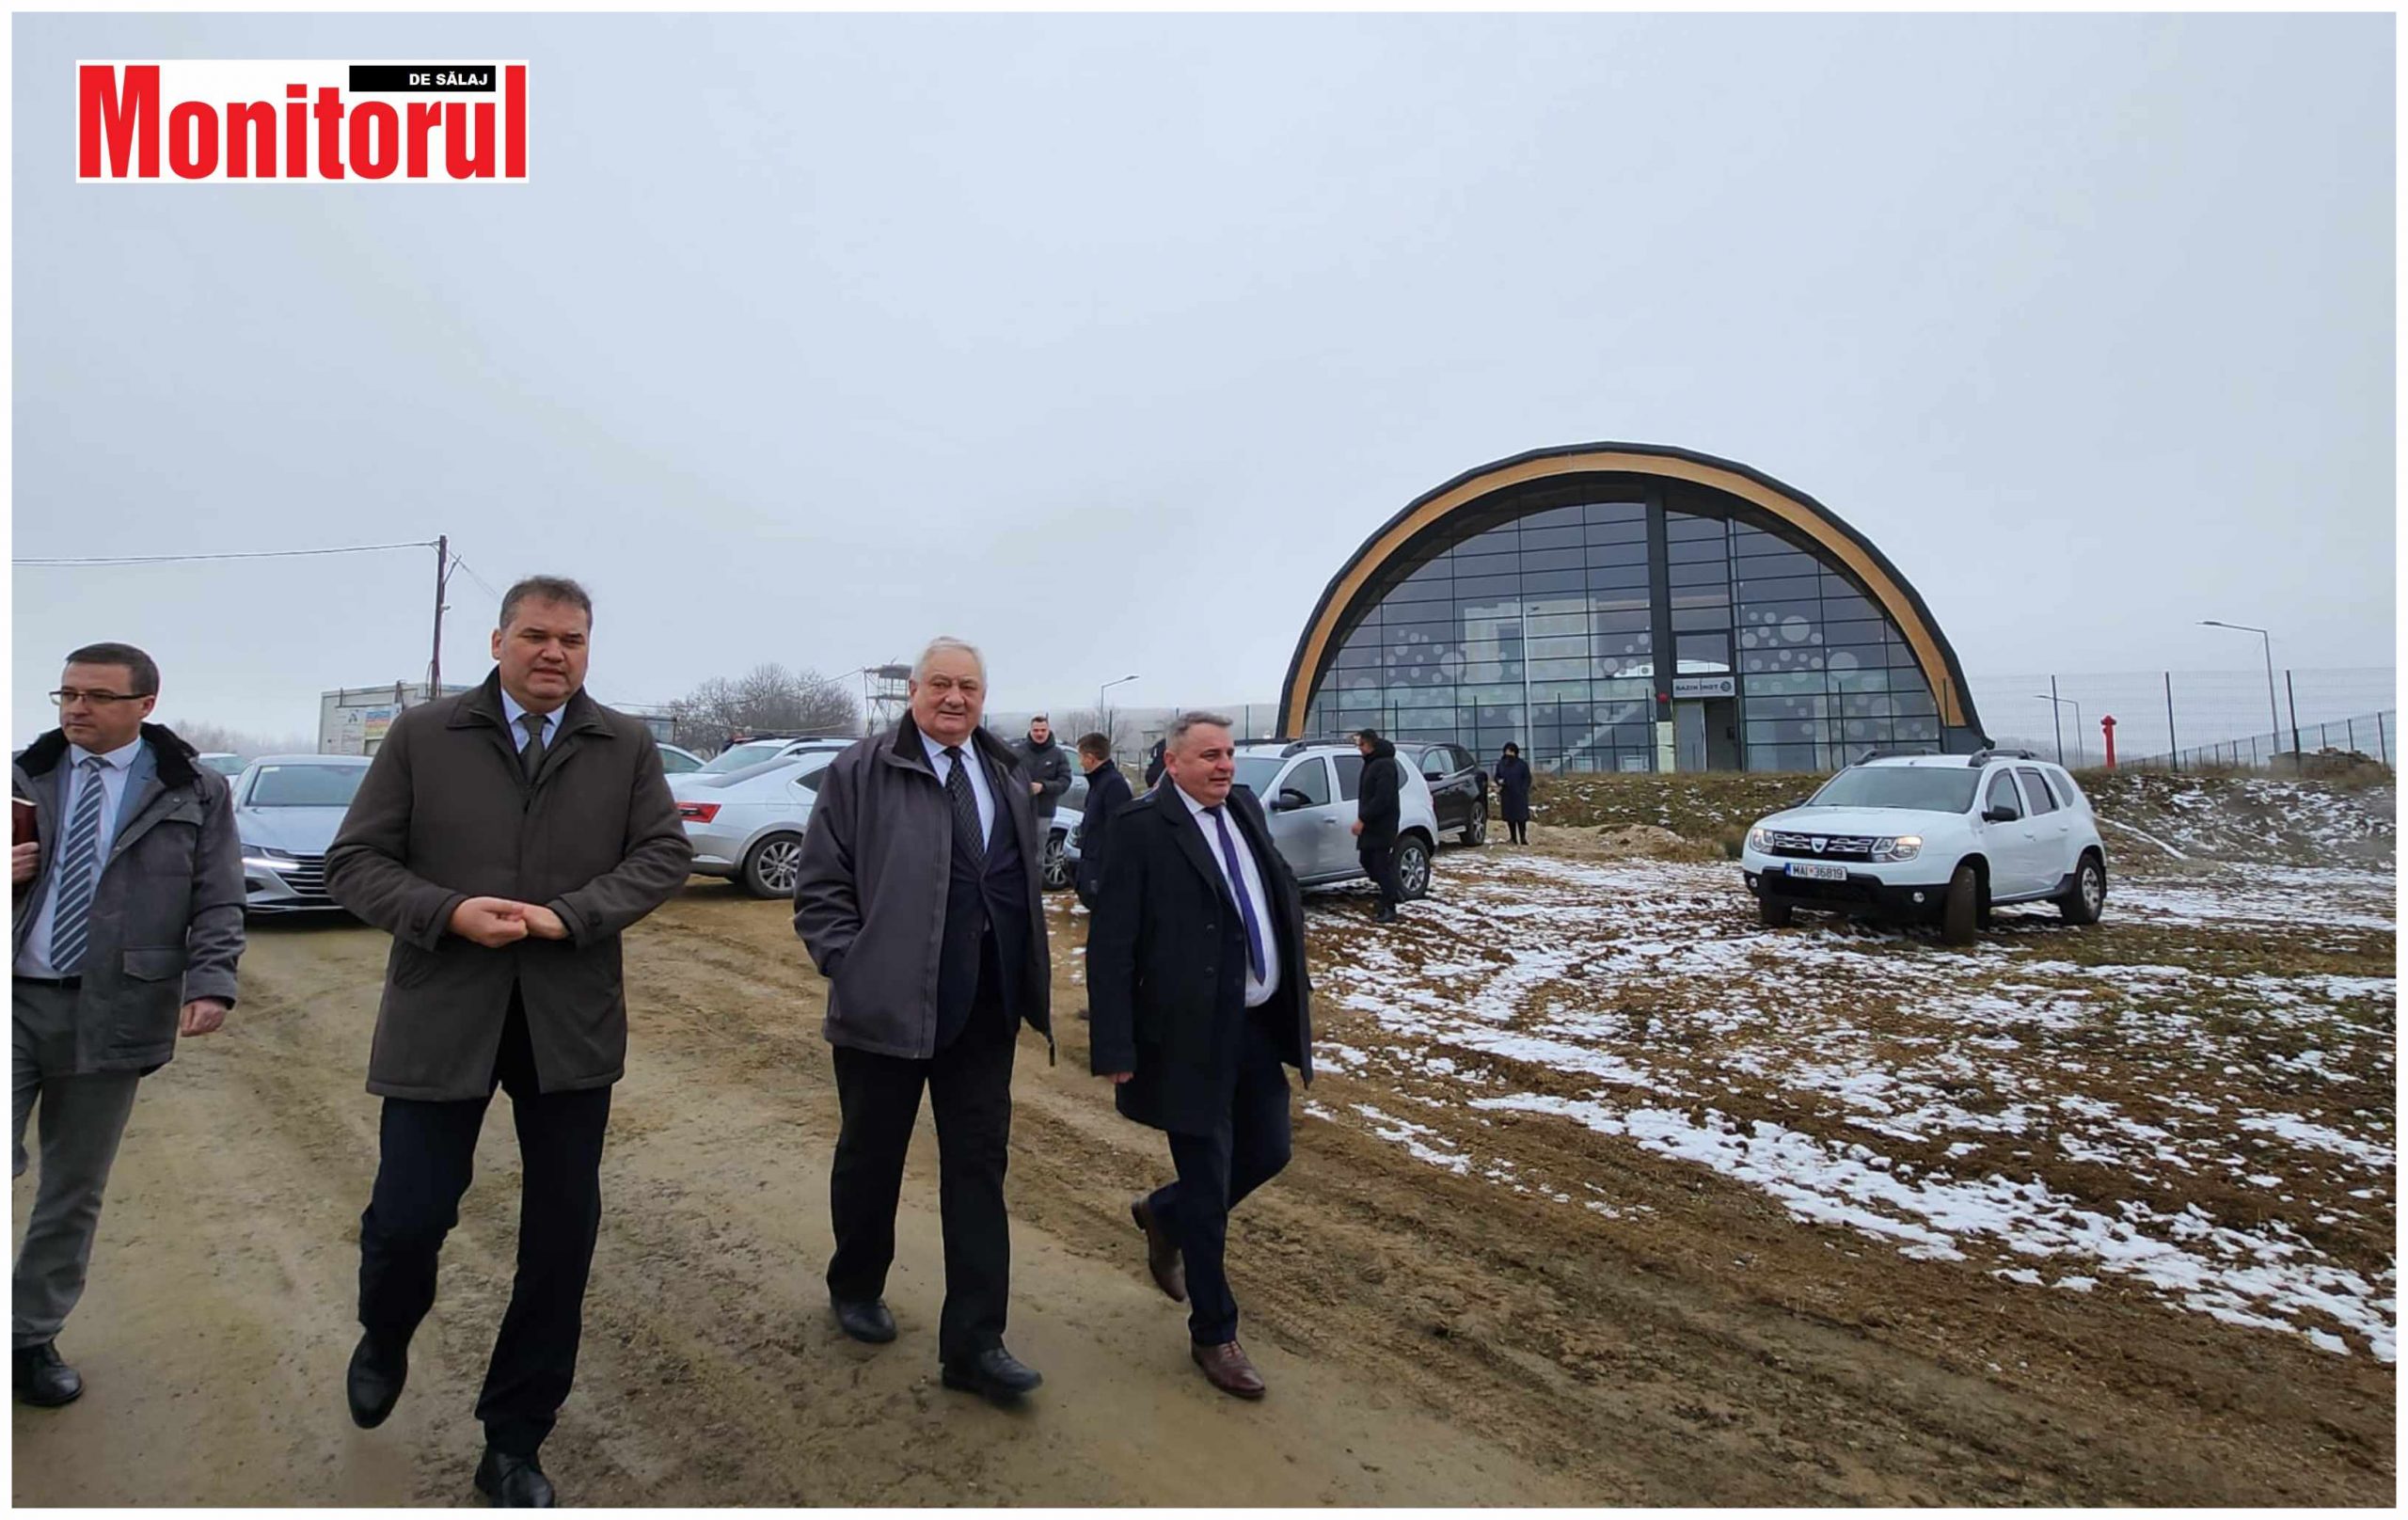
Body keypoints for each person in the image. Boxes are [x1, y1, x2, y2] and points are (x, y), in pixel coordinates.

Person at [325, 577, 691, 1508]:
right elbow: (354, 862)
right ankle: (386, 1330)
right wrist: (447, 911)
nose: (553, 653)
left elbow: (662, 854)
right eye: (535, 635)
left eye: (572, 639)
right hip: (443, 1013)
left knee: (561, 1236)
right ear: (498, 642)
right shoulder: (424, 736)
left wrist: (574, 915)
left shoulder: (624, 743)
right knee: (409, 1215)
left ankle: (515, 1437)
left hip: (568, 1022)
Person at [791, 637, 1052, 1403]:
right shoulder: (861, 772)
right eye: (940, 684)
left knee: (978, 1170)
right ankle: (856, 1283)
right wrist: (853, 965)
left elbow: (1012, 883)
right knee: (871, 1157)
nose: (954, 698)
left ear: (983, 696)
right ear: (913, 691)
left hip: (984, 1008)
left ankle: (976, 1343)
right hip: (886, 1007)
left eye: (968, 686)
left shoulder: (1003, 773)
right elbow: (820, 887)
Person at [10, 642, 243, 1408]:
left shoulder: (193, 790)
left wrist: (212, 982)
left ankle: (28, 1339)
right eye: (67, 694)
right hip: (14, 999)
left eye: (97, 696)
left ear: (145, 705)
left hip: (114, 1010)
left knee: (72, 1188)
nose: (77, 708)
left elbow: (218, 894)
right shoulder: (20, 777)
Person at [1087, 712, 1311, 1400]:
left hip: (1255, 1027)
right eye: (1210, 755)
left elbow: (1269, 896)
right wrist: (1115, 1042)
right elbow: (1112, 945)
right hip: (1185, 1036)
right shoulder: (1140, 828)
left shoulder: (1243, 808)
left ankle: (1166, 1212)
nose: (1225, 765)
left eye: (1229, 753)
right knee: (1210, 1186)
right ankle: (1215, 1333)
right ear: (1172, 762)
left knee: (1269, 1150)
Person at [1071, 732, 1133, 912]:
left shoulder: (1114, 785)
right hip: (1092, 862)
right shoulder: (1098, 783)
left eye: (1081, 757)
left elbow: (1118, 831)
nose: (1080, 762)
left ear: (1090, 758)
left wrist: (1103, 871)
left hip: (1103, 869)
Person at [1351, 728, 1404, 922]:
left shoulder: (1384, 765)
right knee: (1367, 860)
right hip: (1372, 824)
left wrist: (1363, 819)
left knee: (1380, 865)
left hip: (1382, 824)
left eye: (1362, 744)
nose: (1359, 748)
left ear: (1371, 744)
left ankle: (1389, 906)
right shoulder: (1372, 762)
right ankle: (1392, 892)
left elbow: (1383, 798)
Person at [1013, 714, 1071, 827]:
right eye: (1036, 730)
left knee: (1040, 839)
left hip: (1044, 813)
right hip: (1019, 810)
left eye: (1043, 730)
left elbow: (1065, 782)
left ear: (1049, 731)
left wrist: (1043, 787)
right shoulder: (1018, 752)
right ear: (1030, 731)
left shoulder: (1058, 755)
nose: (1039, 734)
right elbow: (1007, 777)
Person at [1497, 741, 1533, 846]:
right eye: (1507, 751)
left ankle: (1523, 838)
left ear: (1515, 752)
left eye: (1511, 752)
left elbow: (1527, 778)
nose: (1508, 754)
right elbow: (1497, 776)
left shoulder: (1522, 764)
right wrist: (1499, 781)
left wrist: (1523, 789)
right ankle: (1513, 838)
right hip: (1507, 794)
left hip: (1519, 795)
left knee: (1521, 818)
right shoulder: (1501, 764)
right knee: (1510, 818)